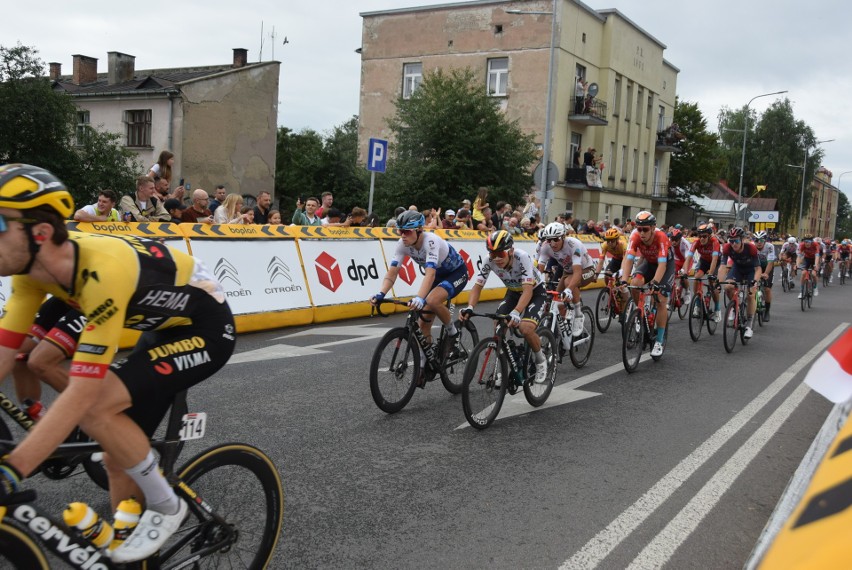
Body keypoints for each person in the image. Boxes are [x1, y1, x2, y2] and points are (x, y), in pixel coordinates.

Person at [0, 163, 235, 563]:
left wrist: (13, 469)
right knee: (114, 454)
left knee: (96, 405)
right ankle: (129, 554)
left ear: (39, 234)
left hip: (207, 328)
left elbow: (82, 394)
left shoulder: (102, 268)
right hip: (160, 328)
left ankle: (167, 505)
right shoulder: (30, 275)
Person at [370, 211, 469, 383]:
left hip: (455, 273)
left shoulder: (430, 241)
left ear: (419, 230)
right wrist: (381, 293)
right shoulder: (402, 244)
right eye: (400, 231)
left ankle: (453, 333)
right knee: (423, 324)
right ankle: (424, 366)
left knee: (431, 300)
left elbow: (429, 274)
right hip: (437, 276)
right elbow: (393, 272)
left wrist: (420, 298)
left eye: (407, 231)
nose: (403, 235)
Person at [460, 230, 549, 384]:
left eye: (501, 253)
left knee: (526, 328)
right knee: (498, 324)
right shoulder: (489, 260)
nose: (497, 258)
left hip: (535, 292)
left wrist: (516, 312)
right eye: (493, 254)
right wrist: (469, 307)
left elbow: (527, 291)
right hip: (513, 292)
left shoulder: (522, 258)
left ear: (511, 251)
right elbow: (477, 287)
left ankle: (541, 360)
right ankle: (504, 366)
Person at [619, 211, 674, 357]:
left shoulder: (661, 237)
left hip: (665, 265)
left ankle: (659, 341)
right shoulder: (635, 236)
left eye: (645, 229)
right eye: (639, 228)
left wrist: (655, 283)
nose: (641, 232)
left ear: (653, 228)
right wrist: (624, 279)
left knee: (661, 298)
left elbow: (662, 265)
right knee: (635, 282)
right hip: (649, 263)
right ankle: (639, 313)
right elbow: (629, 259)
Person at [536, 222, 596, 336]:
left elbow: (577, 272)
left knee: (569, 282)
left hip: (586, 269)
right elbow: (539, 270)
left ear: (563, 237)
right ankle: (564, 327)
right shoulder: (545, 247)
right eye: (549, 240)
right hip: (567, 271)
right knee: (556, 301)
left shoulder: (573, 244)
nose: (552, 243)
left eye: (556, 239)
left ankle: (578, 314)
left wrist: (569, 289)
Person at [717, 227, 762, 339]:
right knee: (727, 287)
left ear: (742, 240)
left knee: (751, 294)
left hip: (751, 270)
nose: (733, 244)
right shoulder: (727, 248)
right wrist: (719, 282)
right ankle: (733, 306)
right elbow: (722, 267)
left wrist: (755, 281)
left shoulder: (751, 248)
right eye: (731, 241)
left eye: (736, 241)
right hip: (737, 269)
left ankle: (749, 325)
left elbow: (758, 269)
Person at [682, 223, 722, 321]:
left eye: (704, 236)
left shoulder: (714, 242)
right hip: (704, 261)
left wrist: (711, 273)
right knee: (697, 278)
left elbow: (714, 259)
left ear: (709, 236)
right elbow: (689, 258)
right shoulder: (697, 242)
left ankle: (717, 309)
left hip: (715, 262)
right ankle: (697, 305)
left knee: (712, 283)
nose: (702, 239)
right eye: (700, 236)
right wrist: (685, 272)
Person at [753, 230, 776, 321]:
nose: (759, 242)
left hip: (767, 266)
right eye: (756, 240)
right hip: (756, 266)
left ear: (765, 241)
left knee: (767, 289)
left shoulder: (770, 246)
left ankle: (767, 311)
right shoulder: (752, 246)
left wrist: (766, 273)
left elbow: (770, 262)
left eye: (761, 240)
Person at [796, 233, 821, 299]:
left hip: (814, 259)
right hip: (806, 259)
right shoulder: (802, 245)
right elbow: (799, 256)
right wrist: (797, 265)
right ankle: (801, 292)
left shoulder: (815, 245)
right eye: (805, 241)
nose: (807, 243)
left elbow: (817, 256)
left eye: (809, 241)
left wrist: (815, 265)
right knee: (803, 273)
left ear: (812, 241)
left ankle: (815, 288)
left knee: (813, 274)